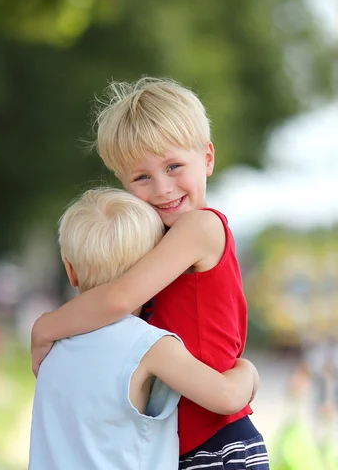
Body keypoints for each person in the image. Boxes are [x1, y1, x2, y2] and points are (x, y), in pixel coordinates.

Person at [31, 77, 269, 469]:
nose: (161, 188)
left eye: (174, 166)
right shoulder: (160, 240)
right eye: (141, 177)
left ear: (208, 158)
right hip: (179, 443)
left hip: (216, 440)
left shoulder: (201, 227)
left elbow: (120, 298)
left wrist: (46, 327)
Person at [29, 187, 259, 470]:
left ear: (70, 270)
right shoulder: (148, 345)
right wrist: (247, 371)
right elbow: (227, 397)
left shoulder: (51, 350)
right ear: (152, 273)